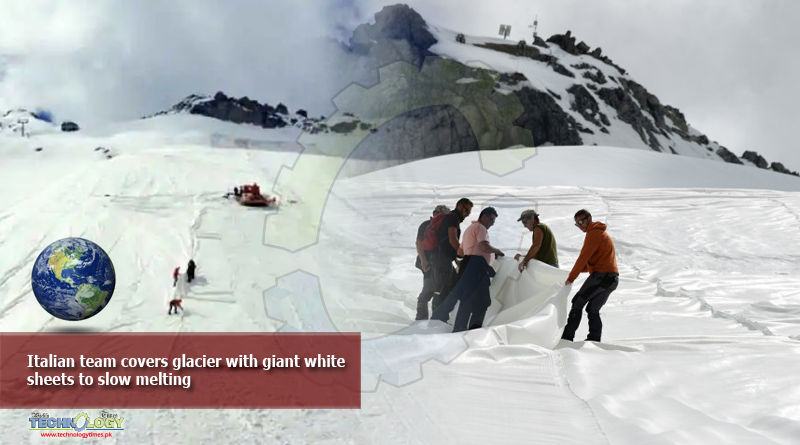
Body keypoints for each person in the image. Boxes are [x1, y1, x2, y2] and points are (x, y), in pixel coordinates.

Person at [430, 207, 503, 331]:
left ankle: (458, 327)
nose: (492, 223)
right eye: (491, 220)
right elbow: (484, 246)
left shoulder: (469, 229)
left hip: (467, 265)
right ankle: (473, 330)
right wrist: (497, 251)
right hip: (477, 267)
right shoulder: (481, 228)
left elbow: (460, 251)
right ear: (484, 216)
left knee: (467, 298)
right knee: (483, 301)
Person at [561, 209, 619, 342]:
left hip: (602, 277)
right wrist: (578, 271)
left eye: (581, 221)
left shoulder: (593, 233)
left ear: (589, 218)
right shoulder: (601, 233)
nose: (580, 225)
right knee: (592, 309)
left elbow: (583, 258)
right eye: (577, 224)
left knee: (577, 302)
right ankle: (594, 339)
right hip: (612, 280)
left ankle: (566, 337)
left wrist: (571, 278)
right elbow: (593, 262)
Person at [430, 198, 473, 312]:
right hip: (441, 259)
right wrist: (465, 255)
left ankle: (441, 316)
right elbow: (452, 239)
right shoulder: (452, 217)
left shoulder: (452, 218)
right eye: (467, 211)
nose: (467, 215)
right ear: (459, 206)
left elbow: (445, 243)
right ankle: (436, 318)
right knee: (443, 287)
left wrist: (455, 259)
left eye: (469, 212)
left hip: (443, 258)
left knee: (452, 284)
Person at [414, 205, 450, 320]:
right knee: (429, 289)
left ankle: (435, 319)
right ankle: (421, 318)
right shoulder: (426, 225)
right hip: (428, 262)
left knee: (438, 290)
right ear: (435, 213)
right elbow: (419, 243)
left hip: (438, 263)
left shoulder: (443, 227)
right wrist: (424, 261)